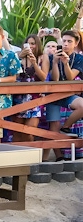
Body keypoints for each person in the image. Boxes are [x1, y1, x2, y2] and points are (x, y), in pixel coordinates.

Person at [42, 30, 83, 159]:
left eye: (69, 41)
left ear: (76, 43)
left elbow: (71, 77)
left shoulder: (79, 58)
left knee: (82, 106)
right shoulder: (50, 57)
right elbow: (55, 79)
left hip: (69, 94)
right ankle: (59, 157)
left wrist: (65, 63)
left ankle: (66, 127)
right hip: (53, 95)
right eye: (64, 41)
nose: (65, 44)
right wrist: (54, 62)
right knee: (53, 127)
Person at [12, 35, 46, 142]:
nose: (30, 46)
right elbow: (13, 75)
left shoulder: (42, 57)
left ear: (37, 45)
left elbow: (44, 77)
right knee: (17, 131)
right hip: (18, 97)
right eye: (28, 43)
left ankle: (31, 156)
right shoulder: (17, 56)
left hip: (35, 98)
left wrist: (35, 64)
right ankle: (19, 157)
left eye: (33, 43)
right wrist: (19, 59)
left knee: (29, 132)